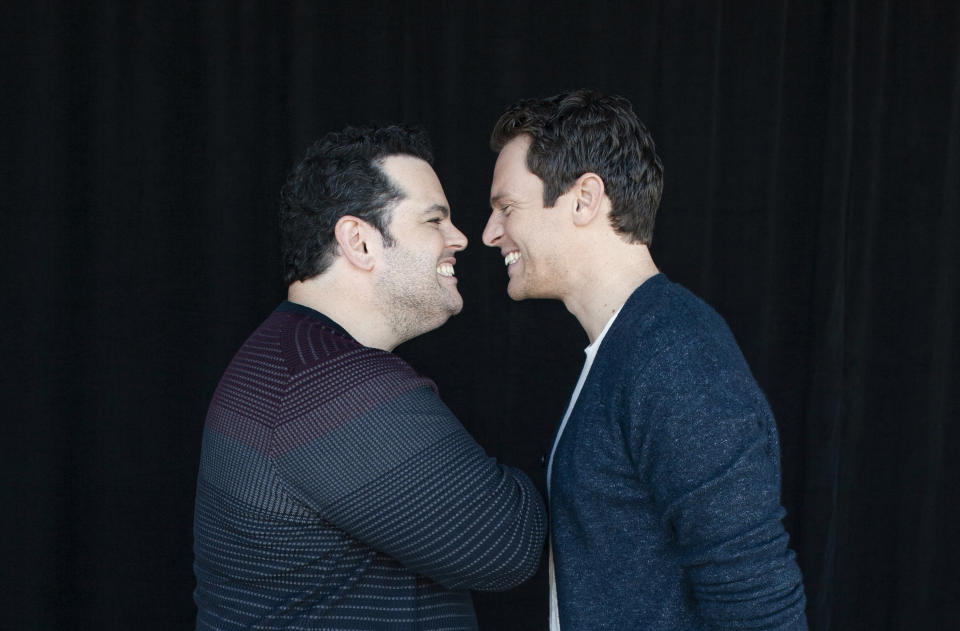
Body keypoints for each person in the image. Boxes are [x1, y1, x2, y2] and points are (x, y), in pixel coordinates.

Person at [193, 125, 547, 630]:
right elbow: (506, 544)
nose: (460, 239)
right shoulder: (326, 382)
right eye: (434, 221)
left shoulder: (291, 357)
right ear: (360, 241)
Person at [482, 90, 807, 630]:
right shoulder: (628, 346)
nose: (491, 232)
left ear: (584, 199)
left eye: (506, 207)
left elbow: (757, 602)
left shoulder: (675, 357)